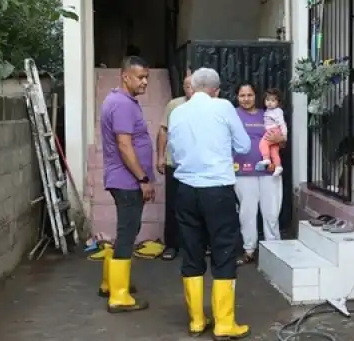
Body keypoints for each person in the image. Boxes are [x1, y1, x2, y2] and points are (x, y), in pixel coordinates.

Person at [167, 68, 252, 339]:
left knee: (191, 251)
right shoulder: (223, 107)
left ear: (192, 87)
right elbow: (244, 145)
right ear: (216, 90)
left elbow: (174, 153)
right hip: (217, 190)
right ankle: (224, 323)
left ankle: (196, 320)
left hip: (185, 190)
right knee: (223, 250)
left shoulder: (177, 112)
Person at [98, 56, 154, 313]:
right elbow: (124, 145)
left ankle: (110, 283)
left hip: (121, 179)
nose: (145, 82)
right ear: (125, 76)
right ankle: (119, 296)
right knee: (128, 232)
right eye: (140, 77)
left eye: (146, 77)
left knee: (125, 231)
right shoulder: (122, 104)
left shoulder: (119, 100)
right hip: (127, 180)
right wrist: (143, 178)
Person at [233, 83, 286, 265]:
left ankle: (274, 249)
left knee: (271, 212)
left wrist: (281, 139)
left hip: (269, 171)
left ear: (256, 96)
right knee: (247, 213)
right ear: (237, 97)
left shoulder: (269, 114)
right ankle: (249, 250)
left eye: (250, 95)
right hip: (242, 171)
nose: (246, 99)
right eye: (242, 95)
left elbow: (282, 141)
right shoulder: (232, 115)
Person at [156, 74, 193, 261]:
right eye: (187, 86)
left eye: (193, 85)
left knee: (196, 206)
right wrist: (160, 156)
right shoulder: (174, 105)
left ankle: (196, 245)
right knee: (172, 205)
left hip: (197, 166)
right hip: (175, 163)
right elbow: (163, 130)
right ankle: (171, 245)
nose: (190, 89)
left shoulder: (210, 106)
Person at [254, 88, 287, 177]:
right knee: (274, 151)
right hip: (273, 130)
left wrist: (284, 136)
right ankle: (278, 166)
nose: (269, 102)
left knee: (263, 144)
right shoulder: (268, 111)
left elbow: (282, 123)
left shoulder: (277, 111)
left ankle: (266, 159)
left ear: (278, 102)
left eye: (273, 100)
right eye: (267, 100)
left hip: (273, 130)